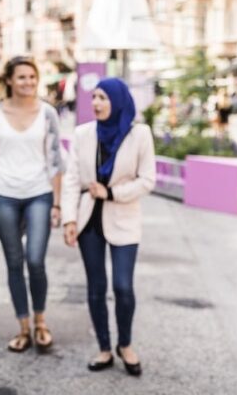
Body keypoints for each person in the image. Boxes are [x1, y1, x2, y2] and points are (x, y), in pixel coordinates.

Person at [0, 56, 64, 353]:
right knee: (14, 261)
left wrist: (57, 203)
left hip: (39, 193)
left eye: (32, 77)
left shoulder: (48, 113)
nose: (28, 82)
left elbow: (56, 159)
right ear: (9, 80)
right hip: (3, 194)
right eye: (21, 77)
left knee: (35, 260)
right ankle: (23, 327)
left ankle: (40, 322)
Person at [61, 77, 155, 376]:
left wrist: (112, 193)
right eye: (94, 97)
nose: (96, 103)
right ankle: (104, 348)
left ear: (118, 100)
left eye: (103, 97)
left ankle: (125, 344)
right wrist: (69, 219)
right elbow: (72, 179)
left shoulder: (140, 134)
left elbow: (147, 180)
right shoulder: (83, 133)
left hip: (124, 218)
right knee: (96, 287)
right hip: (89, 219)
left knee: (123, 286)